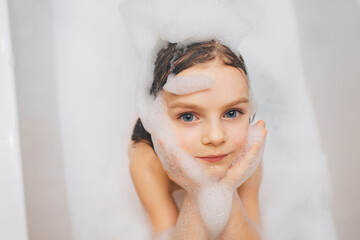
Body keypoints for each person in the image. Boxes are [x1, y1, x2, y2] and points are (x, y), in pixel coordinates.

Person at [128, 40, 267, 239]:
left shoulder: (246, 151)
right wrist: (197, 191)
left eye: (232, 113)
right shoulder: (147, 162)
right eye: (188, 116)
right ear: (159, 120)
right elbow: (164, 230)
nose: (216, 137)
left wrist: (226, 188)